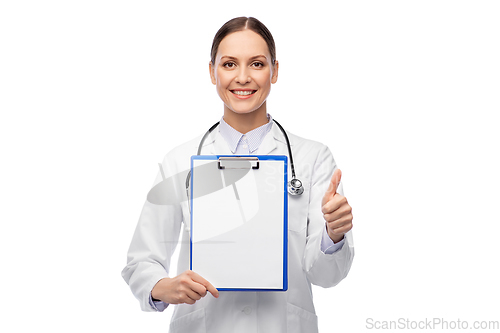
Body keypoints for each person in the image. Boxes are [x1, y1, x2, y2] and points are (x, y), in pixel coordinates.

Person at [122, 17, 354, 333]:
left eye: (256, 64)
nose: (242, 77)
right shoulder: (179, 161)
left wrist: (334, 234)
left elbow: (325, 275)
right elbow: (141, 261)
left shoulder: (311, 158)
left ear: (274, 70)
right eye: (229, 64)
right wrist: (161, 286)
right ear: (212, 71)